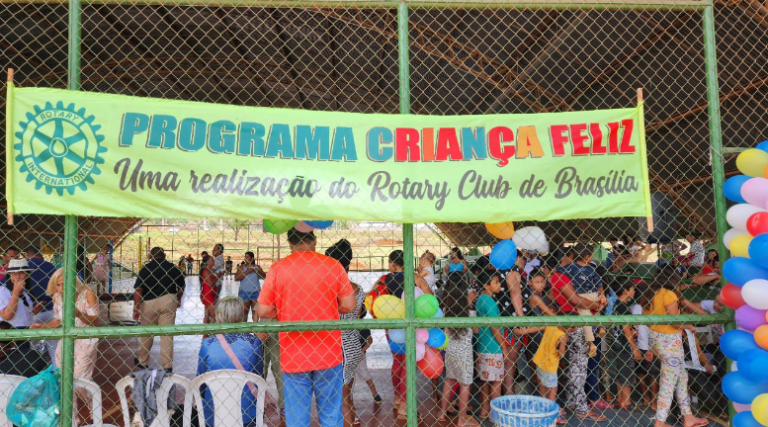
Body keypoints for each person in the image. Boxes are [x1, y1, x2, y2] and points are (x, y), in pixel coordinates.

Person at [257, 228, 357, 427]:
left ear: (290, 244)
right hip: (328, 352)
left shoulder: (278, 268)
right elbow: (349, 305)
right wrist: (326, 306)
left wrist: (285, 310)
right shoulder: (333, 266)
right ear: (314, 241)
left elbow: (263, 309)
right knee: (331, 416)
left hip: (294, 354)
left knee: (297, 419)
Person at [30, 268, 99, 426]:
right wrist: (41, 326)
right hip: (66, 340)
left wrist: (79, 314)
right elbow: (57, 321)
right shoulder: (57, 297)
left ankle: (94, 409)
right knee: (63, 379)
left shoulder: (87, 293)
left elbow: (96, 322)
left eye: (65, 284)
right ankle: (73, 418)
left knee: (80, 378)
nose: (62, 288)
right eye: (58, 285)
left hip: (85, 338)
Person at [643, 268, 709, 427]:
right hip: (670, 341)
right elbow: (675, 321)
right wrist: (688, 326)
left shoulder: (653, 292)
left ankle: (688, 417)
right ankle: (660, 422)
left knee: (681, 378)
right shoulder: (670, 294)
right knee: (669, 382)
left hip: (656, 338)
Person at [197, 296, 263, 427]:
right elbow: (259, 376)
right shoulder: (253, 342)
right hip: (246, 414)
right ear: (240, 314)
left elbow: (200, 382)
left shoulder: (207, 344)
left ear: (219, 316)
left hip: (214, 414)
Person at [381, 249, 433, 418]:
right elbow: (430, 297)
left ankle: (397, 399)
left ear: (393, 264)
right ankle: (405, 405)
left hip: (392, 326)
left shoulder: (385, 280)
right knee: (408, 365)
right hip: (411, 326)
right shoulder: (415, 278)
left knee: (397, 363)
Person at [325, 239, 365, 427]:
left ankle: (348, 421)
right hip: (353, 344)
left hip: (340, 348)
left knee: (340, 400)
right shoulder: (357, 288)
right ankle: (353, 417)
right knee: (346, 394)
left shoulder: (332, 289)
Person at [132, 247, 185, 371]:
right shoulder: (172, 268)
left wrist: (136, 308)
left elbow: (139, 290)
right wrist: (178, 299)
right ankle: (167, 366)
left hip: (149, 302)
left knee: (147, 333)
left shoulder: (146, 269)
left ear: (151, 256)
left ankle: (143, 361)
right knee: (166, 334)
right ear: (164, 255)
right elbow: (181, 287)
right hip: (168, 299)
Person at [438, 273, 479, 427]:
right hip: (465, 352)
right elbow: (475, 331)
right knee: (465, 384)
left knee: (449, 380)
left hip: (451, 350)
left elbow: (446, 329)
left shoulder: (446, 310)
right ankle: (461, 419)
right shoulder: (470, 312)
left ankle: (442, 413)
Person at [515, 323, 571, 425]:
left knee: (542, 386)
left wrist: (522, 331)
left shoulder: (552, 325)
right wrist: (563, 343)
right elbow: (561, 354)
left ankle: (542, 409)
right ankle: (552, 414)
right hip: (550, 366)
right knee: (553, 389)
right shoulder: (563, 336)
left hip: (539, 361)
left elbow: (537, 327)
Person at [606, 277, 641, 409]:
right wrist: (634, 348)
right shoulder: (623, 307)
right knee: (626, 372)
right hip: (624, 343)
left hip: (615, 342)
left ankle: (621, 399)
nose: (634, 292)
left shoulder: (616, 305)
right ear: (625, 290)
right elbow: (626, 329)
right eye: (632, 289)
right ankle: (627, 402)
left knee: (619, 371)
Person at [474, 270, 505, 420]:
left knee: (485, 381)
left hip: (482, 345)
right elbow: (495, 327)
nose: (499, 285)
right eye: (495, 282)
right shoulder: (490, 302)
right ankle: (495, 414)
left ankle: (484, 410)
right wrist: (504, 346)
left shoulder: (481, 299)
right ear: (487, 285)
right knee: (496, 381)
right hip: (493, 347)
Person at [560, 243, 602, 352]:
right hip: (592, 294)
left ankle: (590, 342)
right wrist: (602, 295)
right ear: (587, 257)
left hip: (580, 296)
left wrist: (562, 264)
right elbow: (599, 283)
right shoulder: (591, 269)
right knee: (597, 311)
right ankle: (600, 328)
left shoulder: (570, 268)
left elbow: (558, 271)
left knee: (585, 317)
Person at [21, 246, 57, 360]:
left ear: (26, 254)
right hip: (51, 310)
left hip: (30, 312)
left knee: (31, 348)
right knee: (54, 348)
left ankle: (32, 372)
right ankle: (59, 373)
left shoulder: (22, 267)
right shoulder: (51, 266)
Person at [0, 259, 36, 327]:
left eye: (21, 273)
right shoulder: (2, 291)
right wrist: (15, 293)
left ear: (27, 275)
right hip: (10, 332)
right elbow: (6, 316)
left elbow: (23, 316)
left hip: (27, 331)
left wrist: (33, 312)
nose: (17, 277)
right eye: (14, 273)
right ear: (10, 275)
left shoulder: (26, 292)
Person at [235, 251, 265, 322]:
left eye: (247, 257)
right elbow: (237, 278)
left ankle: (255, 331)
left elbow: (264, 276)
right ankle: (244, 332)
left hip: (255, 292)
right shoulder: (241, 267)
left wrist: (257, 271)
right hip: (244, 293)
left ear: (252, 258)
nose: (245, 259)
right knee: (244, 313)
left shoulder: (257, 267)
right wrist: (247, 271)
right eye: (245, 257)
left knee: (255, 313)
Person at [202, 244, 226, 324]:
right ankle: (211, 332)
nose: (212, 251)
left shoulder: (219, 260)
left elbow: (212, 267)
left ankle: (209, 332)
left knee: (210, 312)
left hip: (215, 285)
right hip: (210, 287)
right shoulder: (207, 269)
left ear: (219, 251)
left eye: (214, 249)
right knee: (211, 312)